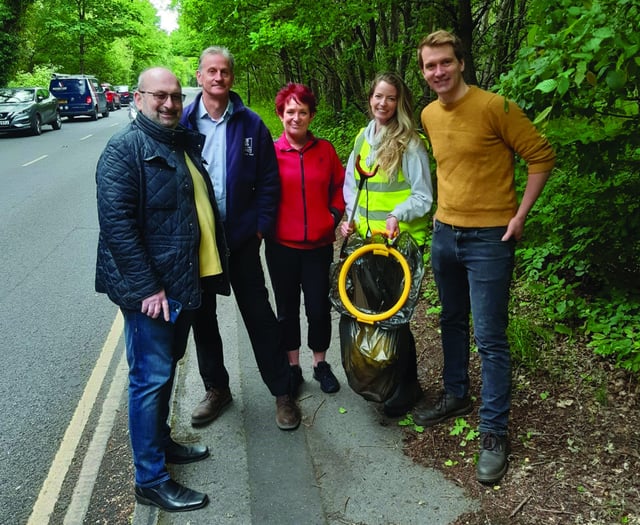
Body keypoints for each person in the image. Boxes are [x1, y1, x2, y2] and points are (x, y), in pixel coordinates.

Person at [414, 30, 556, 484]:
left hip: (491, 238)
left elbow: (540, 156)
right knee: (451, 320)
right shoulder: (429, 114)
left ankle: (493, 432)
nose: (438, 72)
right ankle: (455, 393)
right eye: (429, 65)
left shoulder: (496, 107)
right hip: (445, 233)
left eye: (445, 63)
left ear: (460, 63)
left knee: (491, 338)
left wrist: (519, 216)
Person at [95, 67, 229, 511]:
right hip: (152, 293)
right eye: (160, 96)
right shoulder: (124, 149)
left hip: (182, 284)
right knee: (149, 379)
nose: (169, 103)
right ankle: (149, 480)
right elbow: (117, 226)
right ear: (138, 99)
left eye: (175, 96)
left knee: (165, 372)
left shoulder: (177, 142)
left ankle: (163, 444)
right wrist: (148, 288)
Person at [180, 46, 301, 430]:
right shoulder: (181, 124)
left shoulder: (251, 124)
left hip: (242, 240)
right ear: (199, 77)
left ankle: (282, 391)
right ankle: (217, 389)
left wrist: (261, 225)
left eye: (225, 72)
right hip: (198, 243)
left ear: (231, 77)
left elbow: (269, 180)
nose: (218, 78)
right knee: (203, 319)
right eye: (211, 71)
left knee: (260, 317)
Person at [339, 72, 433, 418]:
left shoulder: (410, 143)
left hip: (400, 247)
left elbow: (424, 196)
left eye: (390, 98)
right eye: (378, 96)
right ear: (370, 98)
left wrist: (397, 214)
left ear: (400, 102)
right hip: (365, 244)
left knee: (397, 320)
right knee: (372, 316)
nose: (383, 104)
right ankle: (384, 382)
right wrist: (349, 218)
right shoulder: (363, 138)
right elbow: (352, 186)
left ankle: (406, 388)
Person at [265, 83, 345, 396]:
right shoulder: (270, 153)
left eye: (302, 112)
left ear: (311, 115)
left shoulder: (325, 150)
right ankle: (293, 366)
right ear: (280, 115)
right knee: (286, 309)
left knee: (318, 308)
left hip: (318, 247)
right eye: (290, 112)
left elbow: (340, 186)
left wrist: (333, 216)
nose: (296, 117)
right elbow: (258, 192)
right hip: (281, 247)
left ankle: (320, 364)